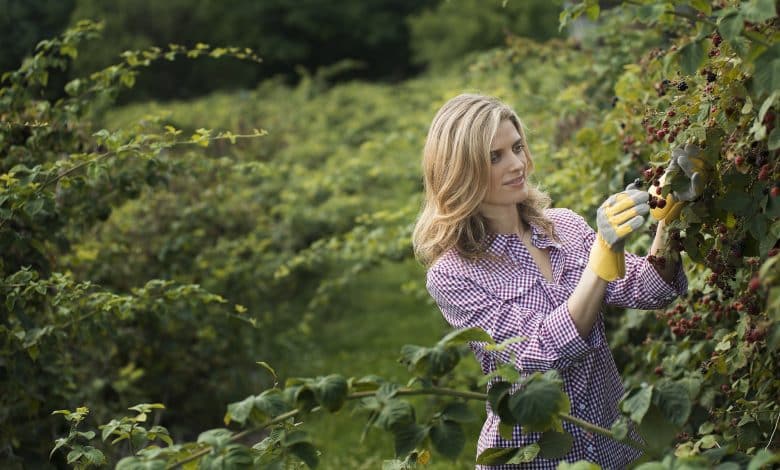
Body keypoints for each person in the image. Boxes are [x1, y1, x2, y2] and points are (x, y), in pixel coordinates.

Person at [412, 94, 698, 468]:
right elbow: (538, 354)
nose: (517, 164)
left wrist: (668, 214)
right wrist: (600, 259)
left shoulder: (563, 225)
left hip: (609, 445)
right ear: (460, 170)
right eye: (494, 156)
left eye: (516, 147)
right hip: (531, 457)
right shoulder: (453, 274)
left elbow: (650, 288)